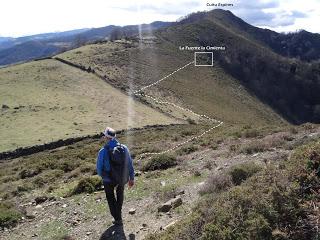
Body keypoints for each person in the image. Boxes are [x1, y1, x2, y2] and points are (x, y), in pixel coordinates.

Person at [96, 127, 134, 226]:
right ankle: (118, 216)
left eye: (104, 136)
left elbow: (99, 169)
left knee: (110, 198)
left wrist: (104, 176)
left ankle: (117, 218)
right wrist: (131, 178)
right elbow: (129, 164)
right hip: (122, 177)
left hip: (108, 179)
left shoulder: (103, 151)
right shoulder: (124, 148)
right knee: (120, 195)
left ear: (106, 137)